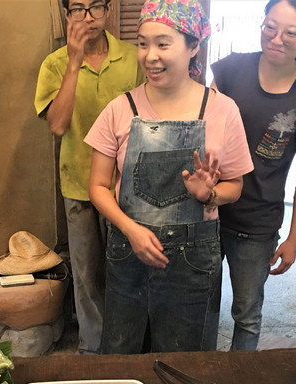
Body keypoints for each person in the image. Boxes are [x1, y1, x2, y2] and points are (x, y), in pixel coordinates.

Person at [85, 0, 253, 354]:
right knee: (121, 355)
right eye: (143, 44)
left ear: (193, 46)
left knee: (186, 362)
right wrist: (130, 230)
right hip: (128, 253)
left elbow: (235, 186)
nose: (150, 56)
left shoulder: (222, 110)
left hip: (194, 260)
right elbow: (97, 187)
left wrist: (209, 195)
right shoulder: (120, 109)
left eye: (163, 44)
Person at [210, 0, 296, 351]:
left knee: (246, 314)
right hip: (208, 210)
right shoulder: (231, 69)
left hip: (258, 222)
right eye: (270, 27)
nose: (276, 39)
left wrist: (293, 238)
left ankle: (239, 381)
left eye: (290, 33)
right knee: (200, 308)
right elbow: (202, 127)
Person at [34, 0, 145, 355]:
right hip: (79, 186)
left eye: (95, 7)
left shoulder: (133, 57)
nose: (87, 18)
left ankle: (127, 349)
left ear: (109, 10)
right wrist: (73, 62)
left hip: (127, 188)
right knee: (86, 275)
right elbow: (57, 125)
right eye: (78, 9)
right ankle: (93, 353)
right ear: (67, 15)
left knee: (127, 272)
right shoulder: (54, 64)